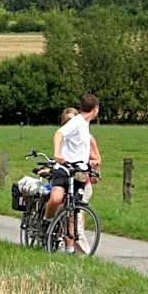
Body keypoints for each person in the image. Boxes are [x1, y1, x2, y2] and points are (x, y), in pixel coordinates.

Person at [46, 94, 100, 253]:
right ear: (95, 109)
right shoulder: (77, 122)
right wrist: (57, 153)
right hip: (64, 169)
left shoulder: (85, 125)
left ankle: (70, 249)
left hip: (78, 172)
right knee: (56, 198)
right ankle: (47, 221)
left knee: (72, 209)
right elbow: (58, 134)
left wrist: (89, 165)